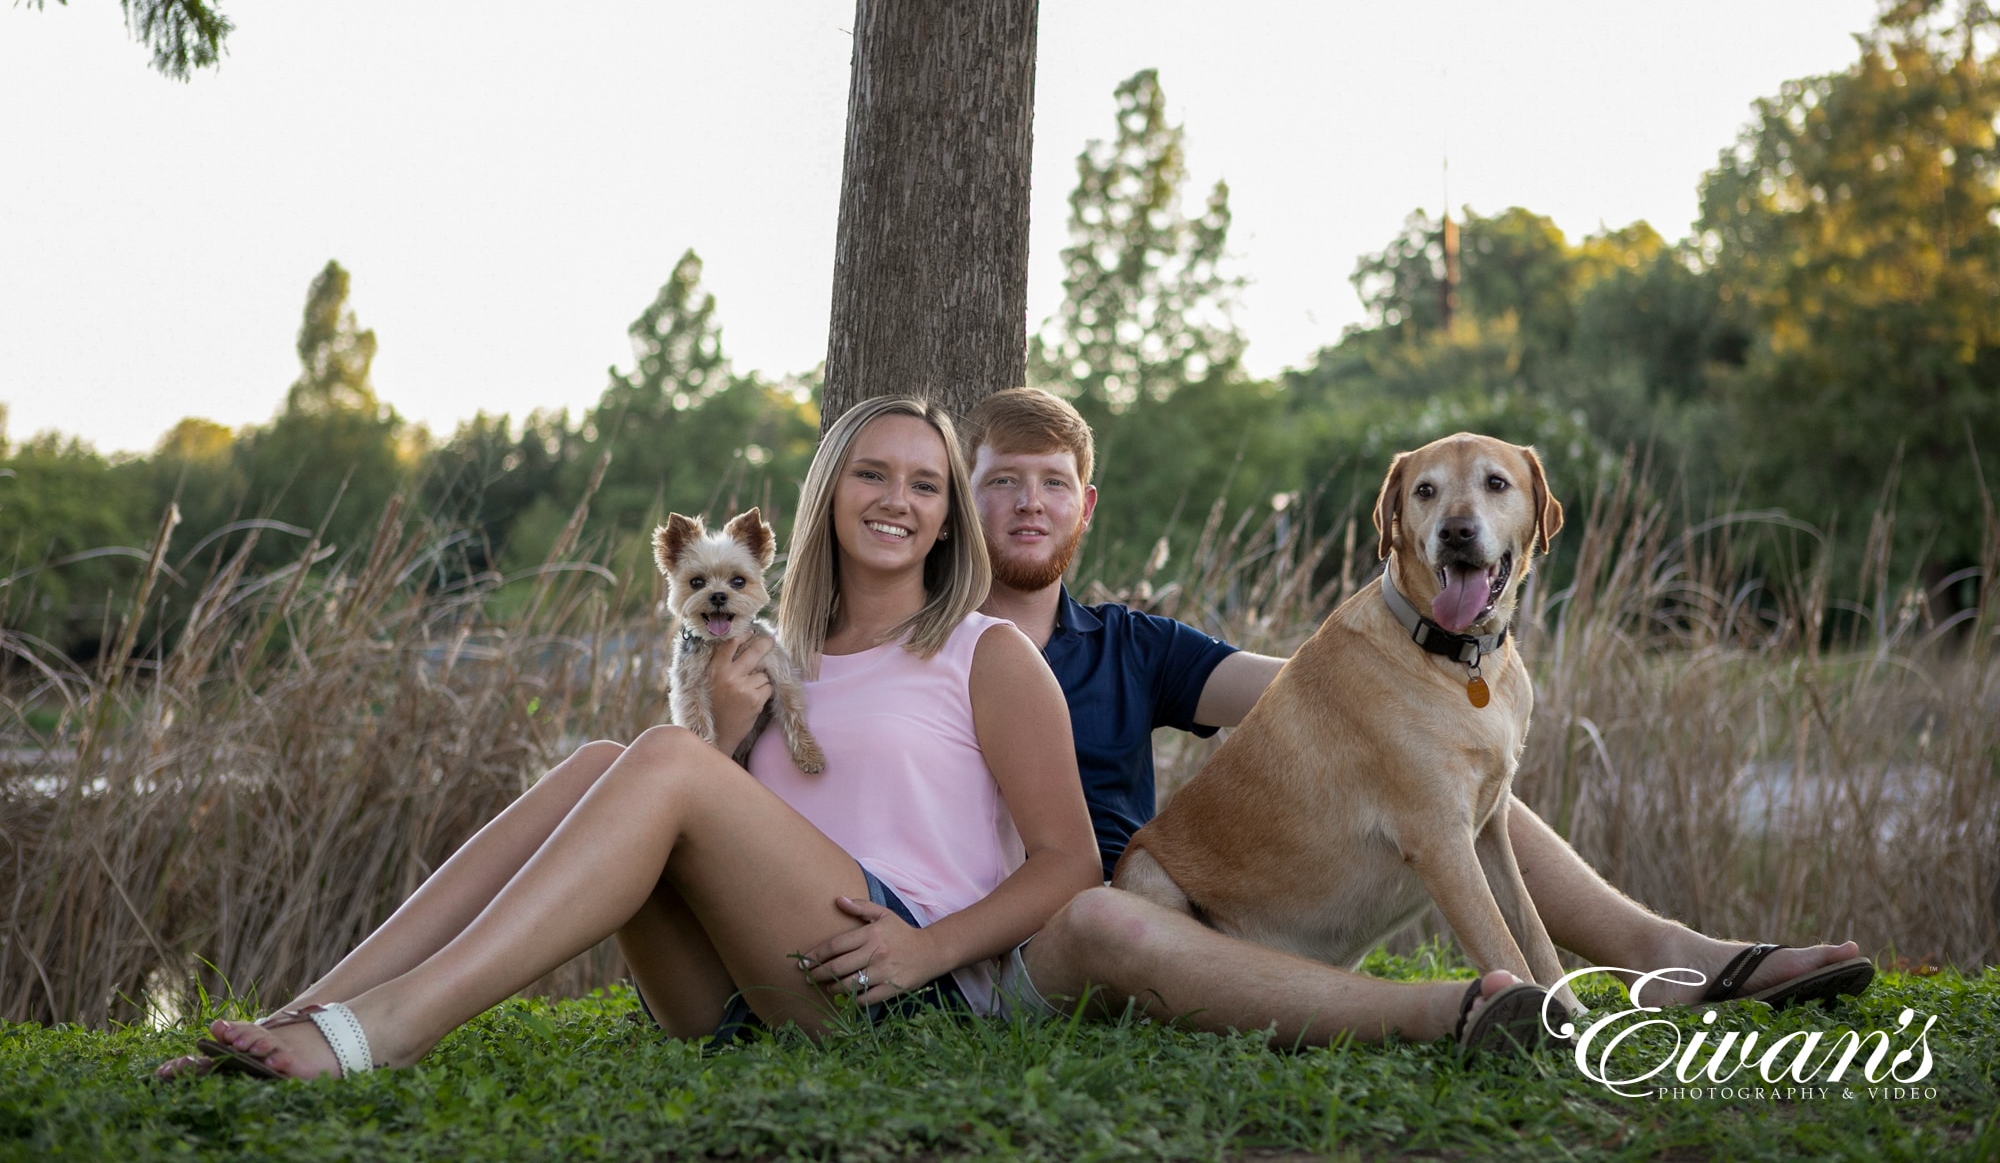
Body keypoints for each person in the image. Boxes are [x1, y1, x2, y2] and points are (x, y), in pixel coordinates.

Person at [162, 396, 1102, 1080]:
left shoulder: (987, 653)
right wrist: (729, 736)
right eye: (872, 472)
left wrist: (928, 951)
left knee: (654, 756)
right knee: (598, 765)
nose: (897, 497)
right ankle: (306, 1012)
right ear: (828, 494)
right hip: (736, 989)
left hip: (898, 987)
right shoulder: (767, 655)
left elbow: (1069, 863)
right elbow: (741, 834)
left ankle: (393, 1028)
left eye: (926, 483)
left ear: (945, 518)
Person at [955, 387, 1874, 1046]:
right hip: (1097, 923)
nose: (1031, 502)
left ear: (1086, 504)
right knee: (1127, 913)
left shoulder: (1134, 642)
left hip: (1176, 912)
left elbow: (1311, 696)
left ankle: (1666, 953)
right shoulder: (928, 652)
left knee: (1437, 762)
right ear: (969, 499)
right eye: (1003, 483)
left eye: (1053, 482)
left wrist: (1423, 687)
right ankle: (1478, 1006)